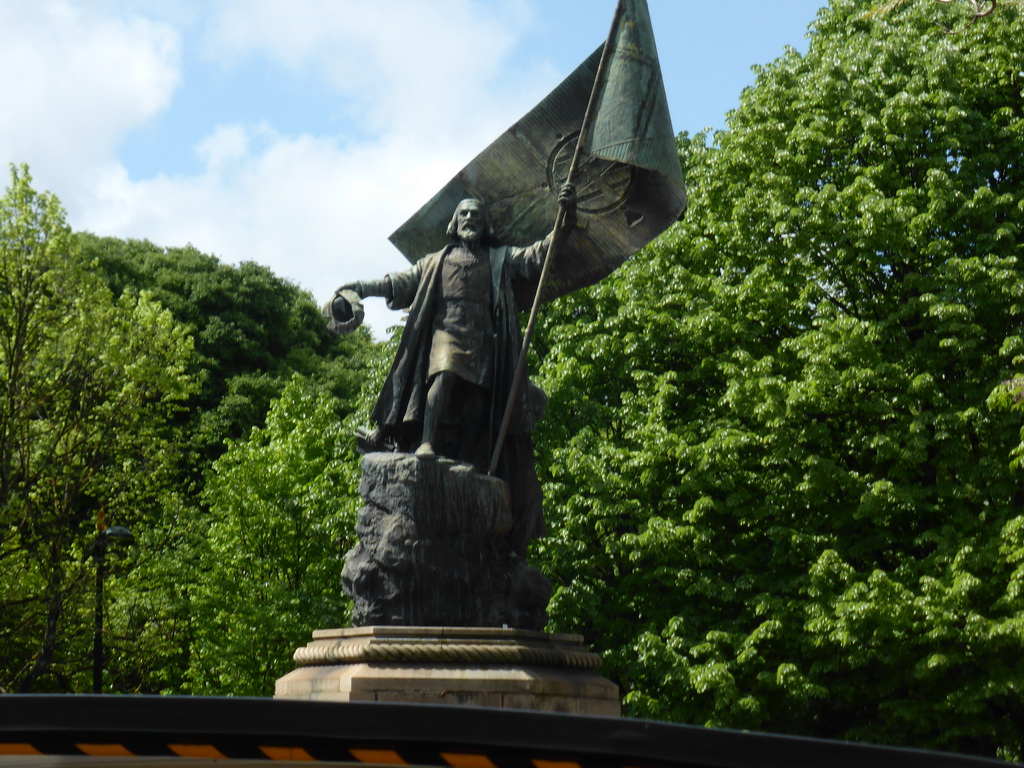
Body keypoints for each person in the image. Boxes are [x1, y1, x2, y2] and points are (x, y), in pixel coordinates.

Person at [324, 183, 577, 555]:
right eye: (464, 215)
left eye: (476, 215)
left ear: (485, 224)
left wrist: (565, 220)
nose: (470, 220)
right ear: (454, 224)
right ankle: (425, 440)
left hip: (483, 339)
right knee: (442, 378)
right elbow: (399, 282)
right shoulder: (435, 261)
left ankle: (469, 459)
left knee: (477, 401)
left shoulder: (498, 258)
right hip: (445, 332)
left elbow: (538, 255)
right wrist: (360, 287)